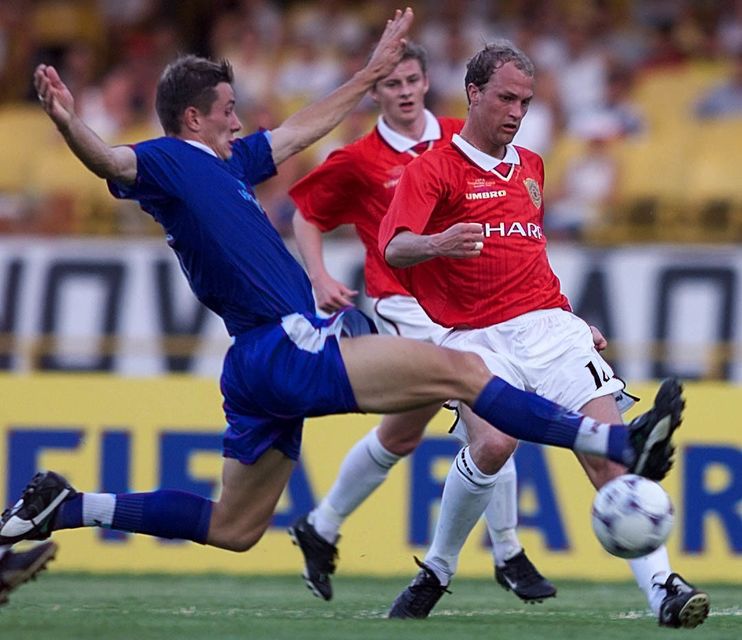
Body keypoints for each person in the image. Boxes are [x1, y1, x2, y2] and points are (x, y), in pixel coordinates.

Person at [0, 10, 680, 611]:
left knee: (234, 528)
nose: (240, 119)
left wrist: (370, 73)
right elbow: (110, 161)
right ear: (193, 118)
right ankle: (617, 443)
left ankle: (70, 505)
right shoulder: (170, 161)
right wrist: (67, 123)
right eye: (229, 108)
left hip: (256, 363)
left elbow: (300, 130)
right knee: (461, 371)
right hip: (286, 344)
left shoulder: (230, 165)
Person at [377, 40, 709, 629]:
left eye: (525, 101)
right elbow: (393, 246)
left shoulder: (531, 166)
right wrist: (438, 243)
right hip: (473, 336)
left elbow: (527, 254)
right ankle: (437, 569)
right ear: (474, 93)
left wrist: (571, 316)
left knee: (610, 456)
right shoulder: (431, 171)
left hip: (550, 328)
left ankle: (665, 590)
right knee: (493, 446)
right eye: (505, 97)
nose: (516, 111)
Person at [287, 41, 554, 604]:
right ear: (376, 92)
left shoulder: (467, 135)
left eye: (412, 80)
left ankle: (321, 525)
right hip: (401, 301)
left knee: (403, 432)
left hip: (468, 304)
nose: (404, 92)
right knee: (487, 403)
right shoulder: (360, 159)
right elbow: (307, 214)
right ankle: (507, 551)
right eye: (391, 84)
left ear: (428, 83)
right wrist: (318, 276)